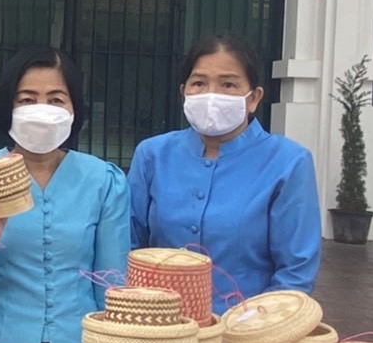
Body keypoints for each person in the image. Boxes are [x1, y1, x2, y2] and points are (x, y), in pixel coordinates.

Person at [0, 46, 131, 343]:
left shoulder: (104, 181)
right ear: (7, 107)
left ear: (74, 109)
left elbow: (112, 283)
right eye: (27, 99)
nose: (42, 111)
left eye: (56, 99)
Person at [128, 32, 321, 315]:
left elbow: (296, 271)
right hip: (159, 329)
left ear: (253, 98)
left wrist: (248, 330)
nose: (211, 95)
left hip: (248, 333)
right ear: (184, 91)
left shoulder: (288, 163)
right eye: (199, 83)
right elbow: (130, 244)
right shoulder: (153, 155)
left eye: (228, 84)